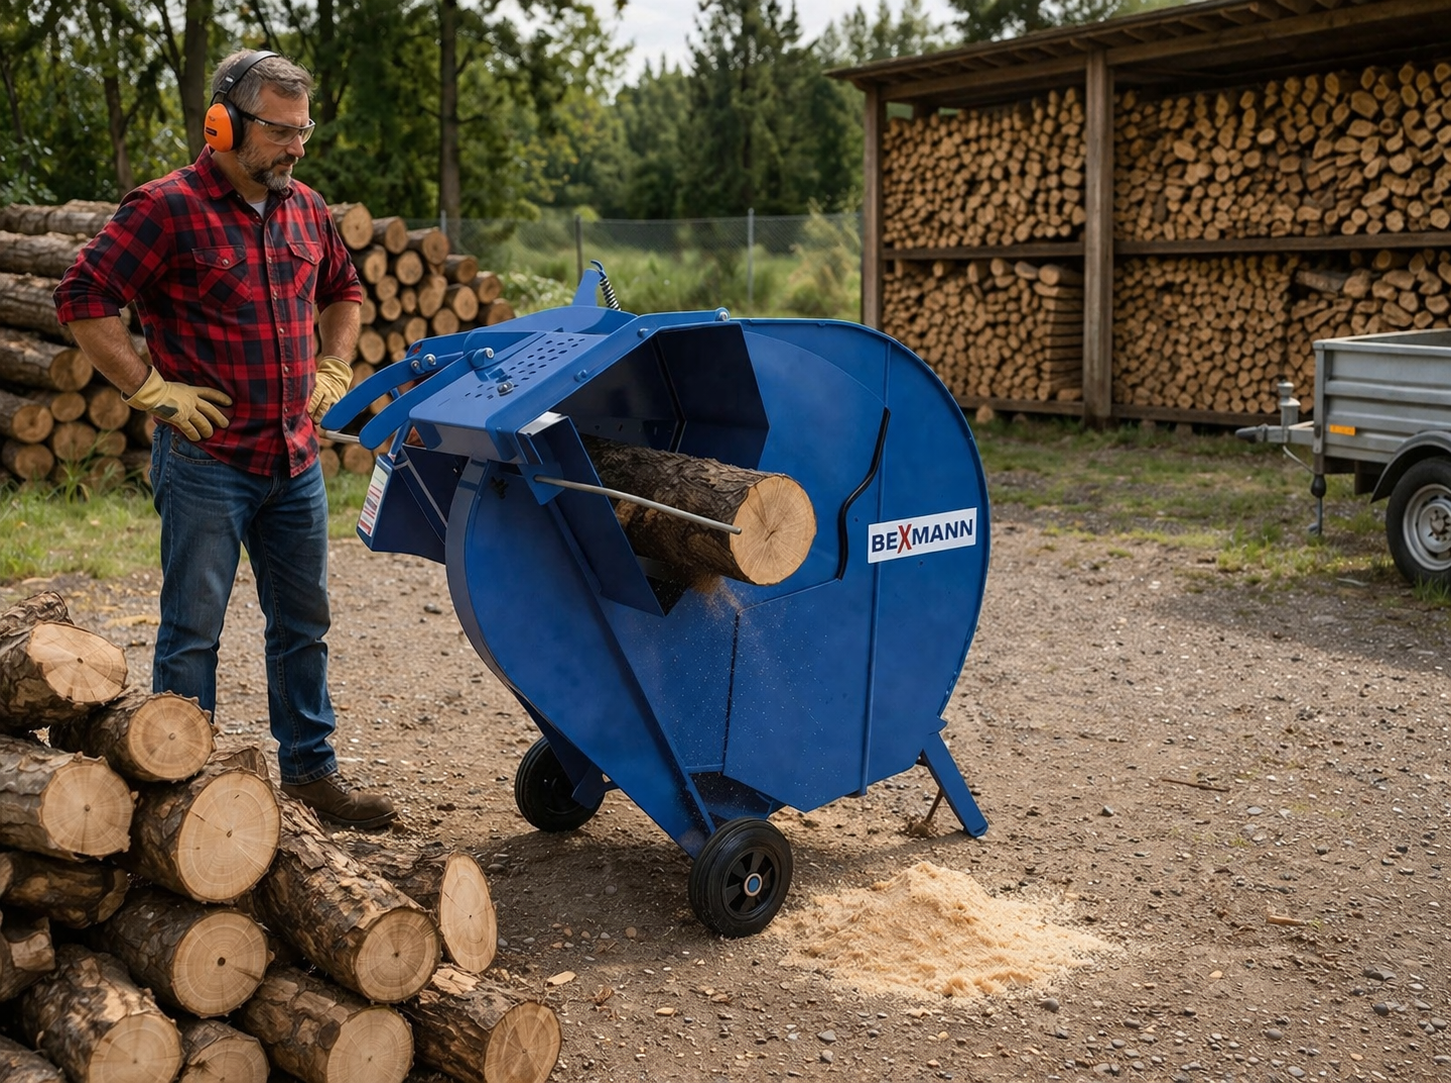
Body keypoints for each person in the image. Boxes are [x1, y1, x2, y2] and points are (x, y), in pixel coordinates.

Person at [54, 49, 395, 829]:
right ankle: (181, 786)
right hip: (207, 463)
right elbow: (81, 296)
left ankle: (311, 773)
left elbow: (345, 290)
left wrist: (335, 365)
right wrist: (146, 387)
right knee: (190, 633)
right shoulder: (164, 208)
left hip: (294, 462)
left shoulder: (306, 208)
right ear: (223, 124)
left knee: (303, 625)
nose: (297, 148)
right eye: (280, 132)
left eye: (303, 131)